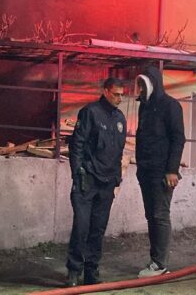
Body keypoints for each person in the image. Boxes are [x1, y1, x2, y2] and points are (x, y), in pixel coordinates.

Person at [65, 77, 127, 287]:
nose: (120, 98)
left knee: (98, 229)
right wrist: (77, 174)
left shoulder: (120, 118)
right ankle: (74, 271)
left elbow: (118, 151)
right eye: (116, 94)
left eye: (122, 95)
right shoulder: (90, 112)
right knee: (82, 227)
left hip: (107, 182)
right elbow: (77, 144)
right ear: (106, 91)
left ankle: (91, 271)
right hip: (88, 180)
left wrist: (117, 179)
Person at [135, 66, 186, 277]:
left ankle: (160, 264)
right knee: (152, 216)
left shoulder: (171, 106)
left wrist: (172, 170)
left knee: (160, 215)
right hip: (146, 171)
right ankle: (156, 262)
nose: (139, 89)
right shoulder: (144, 107)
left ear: (152, 84)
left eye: (142, 85)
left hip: (162, 173)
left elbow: (178, 139)